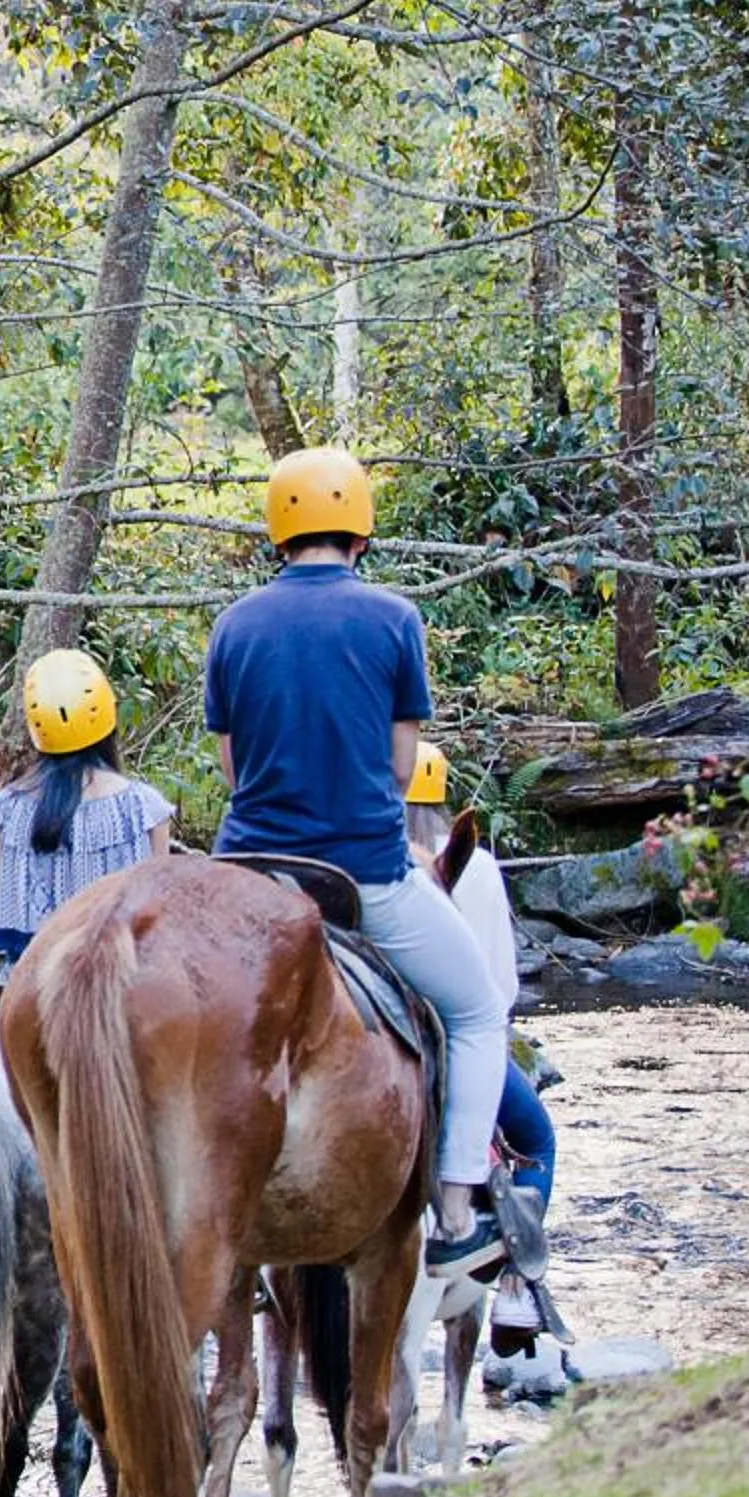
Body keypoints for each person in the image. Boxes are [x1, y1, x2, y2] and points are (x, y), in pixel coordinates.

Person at [205, 446, 511, 1279]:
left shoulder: (234, 624)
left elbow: (234, 770)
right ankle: (455, 1210)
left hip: (247, 876)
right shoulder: (393, 619)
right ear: (359, 534)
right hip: (362, 877)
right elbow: (403, 766)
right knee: (480, 1012)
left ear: (278, 533)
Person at [406, 744, 559, 1342]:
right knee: (538, 1138)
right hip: (467, 1043)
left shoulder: (379, 863)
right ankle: (518, 1287)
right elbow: (500, 987)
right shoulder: (479, 868)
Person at [0, 649, 174, 967]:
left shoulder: (6, 810)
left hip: (29, 981)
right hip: (120, 979)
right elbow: (157, 908)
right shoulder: (145, 809)